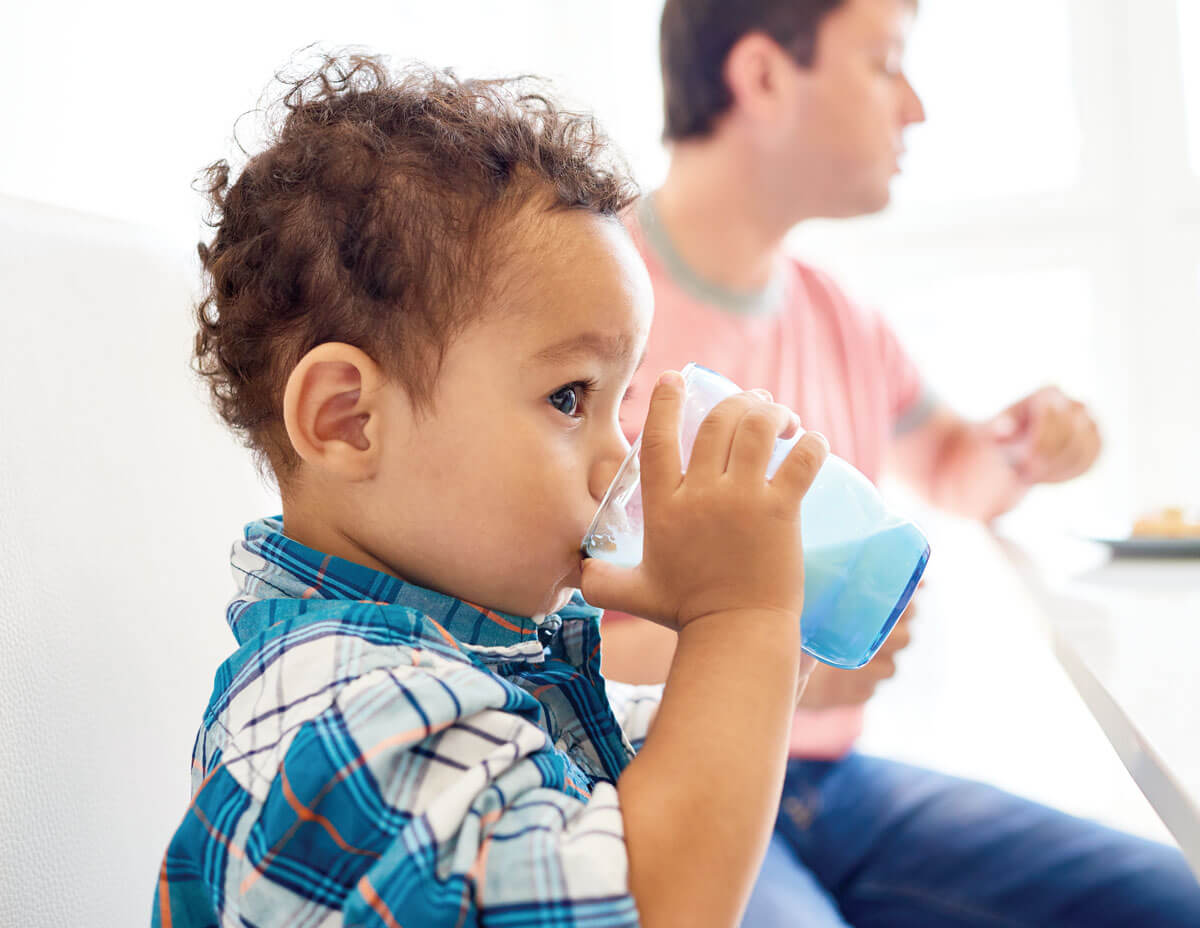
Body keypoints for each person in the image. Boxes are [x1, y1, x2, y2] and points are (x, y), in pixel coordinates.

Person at [152, 53, 835, 927]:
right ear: (348, 422)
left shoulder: (474, 653)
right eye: (567, 399)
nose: (614, 461)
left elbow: (640, 784)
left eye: (615, 403)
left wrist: (759, 651)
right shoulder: (344, 717)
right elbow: (655, 904)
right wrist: (739, 622)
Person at [598, 0, 1200, 925]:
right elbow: (535, 632)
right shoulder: (592, 314)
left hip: (831, 783)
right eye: (885, 64)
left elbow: (957, 466)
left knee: (1176, 896)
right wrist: (770, 662)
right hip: (663, 779)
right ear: (761, 77)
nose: (914, 107)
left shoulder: (839, 315)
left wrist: (1028, 446)